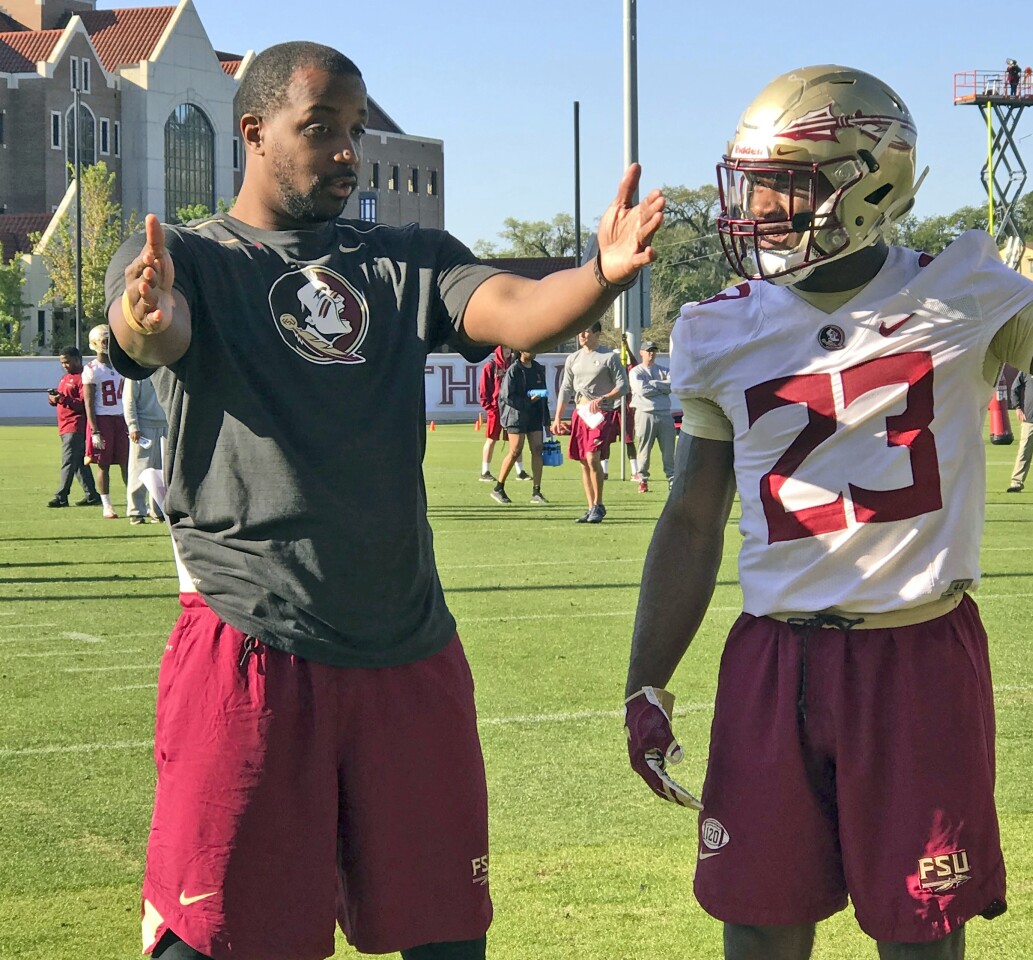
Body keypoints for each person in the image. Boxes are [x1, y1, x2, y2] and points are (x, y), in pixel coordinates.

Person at [622, 63, 1033, 960]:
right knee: (759, 924)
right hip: (774, 655)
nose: (761, 207)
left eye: (787, 183)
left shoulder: (959, 289)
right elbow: (693, 518)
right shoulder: (716, 324)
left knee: (923, 932)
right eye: (757, 183)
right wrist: (646, 677)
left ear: (870, 182)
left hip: (917, 650)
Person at [104, 40, 663, 960]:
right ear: (254, 130)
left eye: (354, 132)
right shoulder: (189, 257)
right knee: (219, 940)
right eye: (319, 129)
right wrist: (146, 316)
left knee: (447, 938)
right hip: (252, 644)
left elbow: (518, 307)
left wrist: (597, 275)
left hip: (409, 654)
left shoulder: (403, 259)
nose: (345, 153)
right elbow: (154, 334)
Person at [551, 321, 626, 523]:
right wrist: (557, 417)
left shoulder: (609, 357)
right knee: (584, 461)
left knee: (593, 457)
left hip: (600, 414)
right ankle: (591, 505)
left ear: (597, 334)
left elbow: (623, 386)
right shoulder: (573, 358)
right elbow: (566, 389)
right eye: (579, 333)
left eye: (586, 332)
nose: (582, 336)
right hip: (580, 412)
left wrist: (604, 399)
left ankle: (599, 504)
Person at [490, 350, 551, 505]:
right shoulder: (514, 370)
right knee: (515, 451)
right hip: (516, 416)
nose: (533, 351)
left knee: (538, 449)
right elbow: (507, 396)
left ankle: (536, 491)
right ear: (521, 351)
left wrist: (547, 422)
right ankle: (499, 488)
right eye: (529, 348)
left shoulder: (538, 368)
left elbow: (544, 396)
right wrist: (528, 401)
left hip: (535, 416)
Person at [81, 323, 128, 519]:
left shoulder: (122, 366)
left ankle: (133, 501)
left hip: (122, 418)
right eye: (105, 341)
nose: (108, 345)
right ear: (95, 343)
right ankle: (106, 505)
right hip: (102, 419)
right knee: (103, 464)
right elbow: (89, 403)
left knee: (128, 463)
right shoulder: (91, 369)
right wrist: (94, 430)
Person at [46, 346, 101, 508]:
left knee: (68, 462)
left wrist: (62, 399)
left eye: (67, 362)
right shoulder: (65, 378)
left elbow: (85, 405)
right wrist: (53, 398)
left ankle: (61, 496)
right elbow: (62, 399)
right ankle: (92, 495)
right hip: (64, 426)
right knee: (77, 463)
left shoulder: (84, 378)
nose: (64, 365)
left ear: (78, 359)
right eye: (62, 362)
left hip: (76, 426)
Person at [629, 339, 677, 493]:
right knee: (644, 449)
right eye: (648, 350)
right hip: (645, 413)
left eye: (654, 351)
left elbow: (673, 384)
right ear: (641, 352)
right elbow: (642, 390)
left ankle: (671, 479)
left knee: (669, 450)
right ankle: (642, 479)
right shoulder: (636, 371)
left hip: (664, 413)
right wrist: (660, 386)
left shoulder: (663, 369)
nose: (651, 353)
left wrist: (653, 384)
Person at [123, 374, 168, 524]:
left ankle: (158, 510)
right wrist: (133, 425)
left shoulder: (166, 368)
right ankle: (136, 511)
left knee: (163, 470)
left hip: (166, 425)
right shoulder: (136, 373)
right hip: (144, 426)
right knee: (140, 469)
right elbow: (129, 400)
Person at [477, 346, 526, 482]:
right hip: (496, 409)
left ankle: (520, 471)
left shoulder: (514, 366)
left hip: (511, 408)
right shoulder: (490, 366)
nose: (507, 351)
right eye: (504, 348)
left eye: (509, 348)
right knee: (491, 439)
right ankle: (485, 471)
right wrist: (490, 408)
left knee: (515, 439)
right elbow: (483, 390)